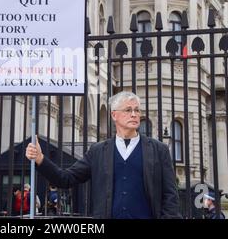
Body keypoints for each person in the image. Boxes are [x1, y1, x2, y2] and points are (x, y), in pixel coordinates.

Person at [25, 91, 181, 219]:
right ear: (114, 115)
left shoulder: (158, 150)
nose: (134, 114)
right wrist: (40, 159)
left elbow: (170, 195)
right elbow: (66, 179)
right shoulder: (98, 151)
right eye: (128, 110)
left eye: (137, 110)